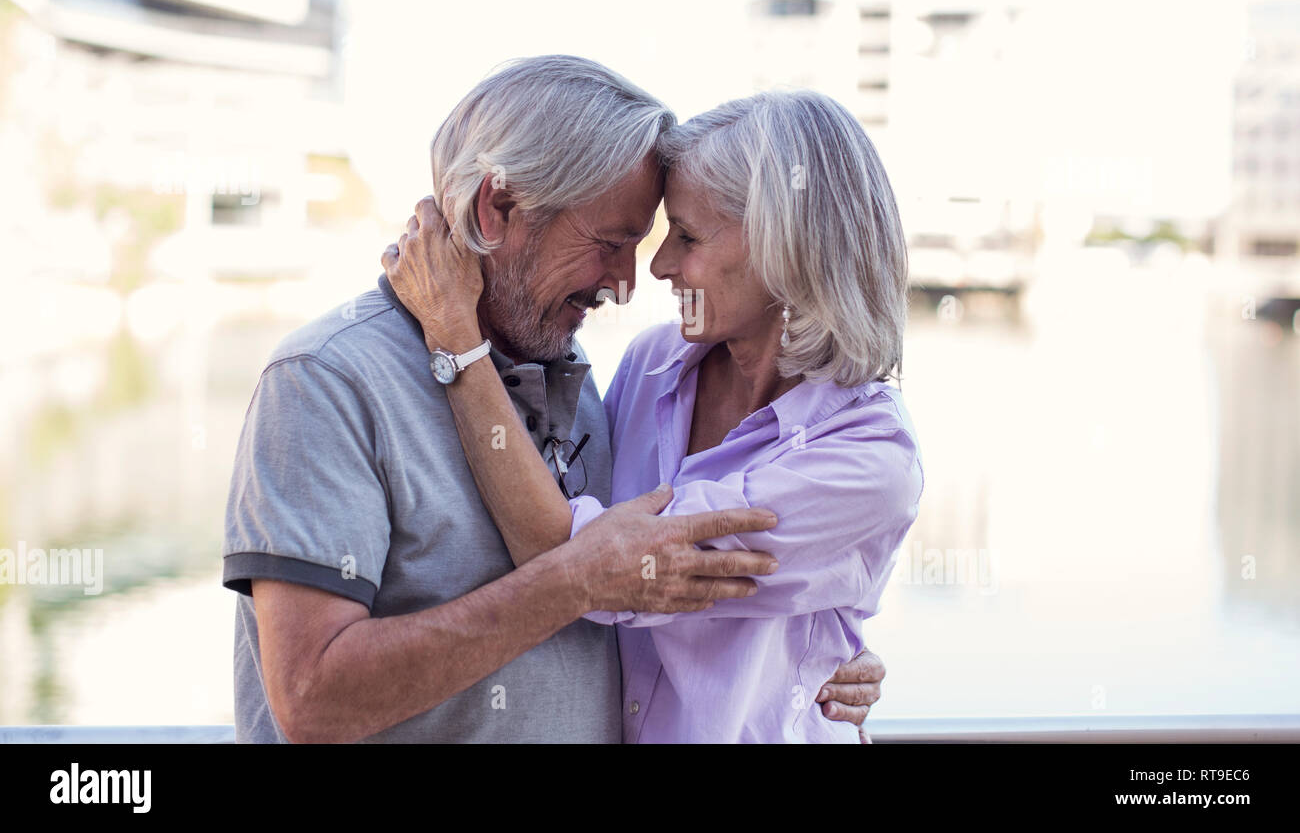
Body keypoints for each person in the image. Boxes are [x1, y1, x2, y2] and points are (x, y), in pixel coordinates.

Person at [222, 56, 884, 743]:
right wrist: (573, 583)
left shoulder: (583, 379)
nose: (630, 282)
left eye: (656, 241)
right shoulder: (329, 380)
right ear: (498, 208)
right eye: (610, 243)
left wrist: (809, 657)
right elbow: (313, 700)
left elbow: (669, 586)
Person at [383, 87, 922, 742]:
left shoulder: (870, 462)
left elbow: (575, 562)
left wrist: (455, 337)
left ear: (785, 248)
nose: (659, 267)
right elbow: (574, 557)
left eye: (687, 236)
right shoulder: (654, 362)